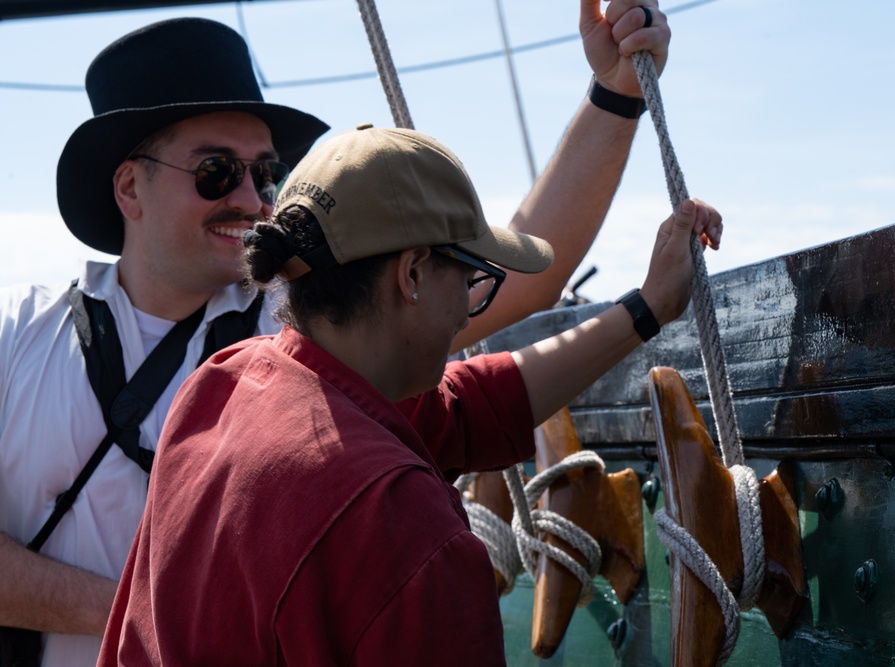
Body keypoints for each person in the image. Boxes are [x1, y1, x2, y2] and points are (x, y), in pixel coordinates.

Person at [0, 3, 683, 665]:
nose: (250, 197)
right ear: (129, 188)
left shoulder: (292, 326)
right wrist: (176, 600)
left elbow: (517, 279)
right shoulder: (17, 338)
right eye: (216, 172)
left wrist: (616, 93)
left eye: (266, 172)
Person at [97, 124, 722, 665]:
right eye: (474, 278)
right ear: (414, 273)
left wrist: (647, 309)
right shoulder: (408, 532)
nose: (467, 311)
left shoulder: (224, 386)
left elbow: (475, 404)